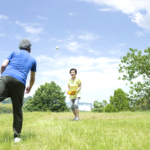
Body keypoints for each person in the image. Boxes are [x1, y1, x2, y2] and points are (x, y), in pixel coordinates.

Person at [0, 39, 37, 143]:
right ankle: (17, 137)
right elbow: (33, 78)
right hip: (20, 82)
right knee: (17, 109)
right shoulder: (33, 60)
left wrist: (3, 76)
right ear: (30, 49)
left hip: (5, 78)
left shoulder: (14, 52)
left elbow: (3, 65)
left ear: (20, 47)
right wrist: (29, 86)